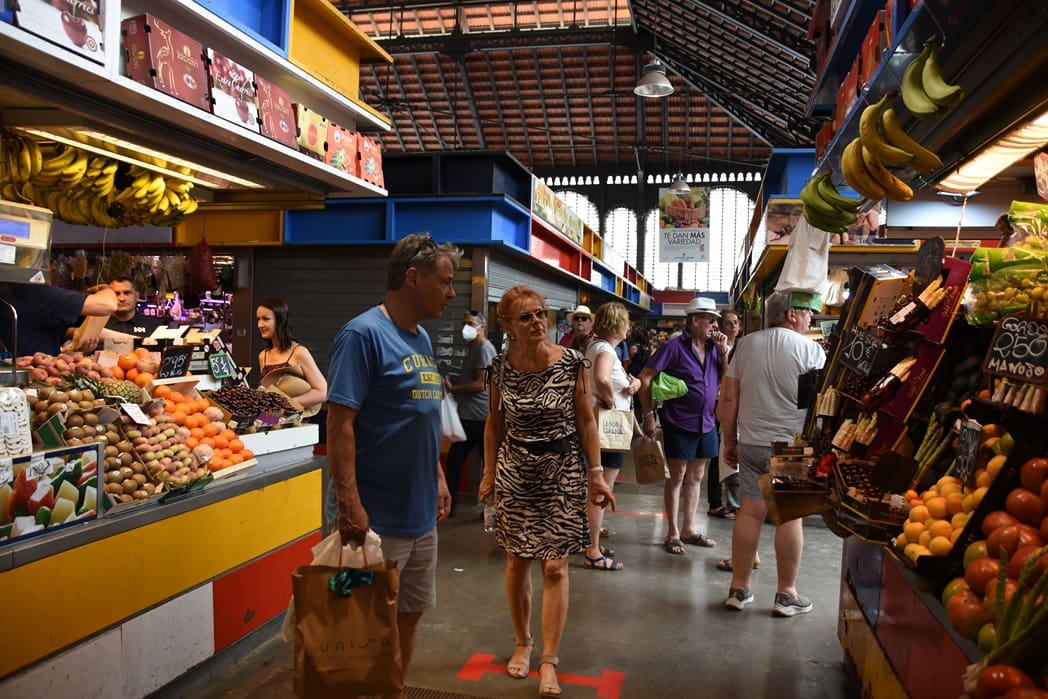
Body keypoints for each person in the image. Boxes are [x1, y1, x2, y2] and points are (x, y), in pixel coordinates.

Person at [325, 233, 461, 699]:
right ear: (413, 278)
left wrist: (439, 476)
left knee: (408, 616)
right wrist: (349, 505)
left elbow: (422, 417)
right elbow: (340, 423)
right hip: (375, 520)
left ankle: (392, 691)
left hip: (420, 517)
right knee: (359, 628)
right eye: (445, 282)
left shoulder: (420, 337)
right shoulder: (361, 335)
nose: (452, 293)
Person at [478, 285, 615, 698]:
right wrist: (488, 472)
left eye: (541, 313)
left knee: (555, 567)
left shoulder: (572, 363)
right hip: (516, 472)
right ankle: (523, 642)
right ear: (508, 326)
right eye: (526, 317)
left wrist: (596, 473)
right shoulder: (499, 368)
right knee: (518, 561)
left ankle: (549, 660)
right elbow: (494, 424)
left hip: (563, 471)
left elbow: (587, 422)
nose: (538, 322)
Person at [717, 290, 826, 616]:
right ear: (791, 314)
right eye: (807, 311)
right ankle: (786, 594)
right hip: (791, 446)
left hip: (751, 442)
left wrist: (729, 440)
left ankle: (739, 589)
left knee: (750, 512)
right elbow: (819, 404)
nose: (810, 317)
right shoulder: (812, 350)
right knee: (789, 517)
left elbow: (729, 397)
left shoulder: (746, 345)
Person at [638, 297, 728, 555]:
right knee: (677, 476)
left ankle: (689, 528)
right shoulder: (673, 347)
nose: (715, 325)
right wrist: (648, 414)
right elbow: (645, 378)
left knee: (697, 476)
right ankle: (673, 532)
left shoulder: (714, 348)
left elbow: (726, 378)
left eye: (715, 321)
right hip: (679, 421)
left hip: (706, 422)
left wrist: (723, 352)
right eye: (710, 320)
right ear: (695, 320)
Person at [583, 301, 640, 571]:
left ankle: (589, 541)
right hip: (608, 429)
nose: (628, 327)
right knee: (601, 490)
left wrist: (631, 385)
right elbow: (602, 378)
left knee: (595, 488)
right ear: (617, 325)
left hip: (596, 427)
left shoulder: (596, 347)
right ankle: (593, 551)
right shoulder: (606, 350)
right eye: (626, 322)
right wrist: (609, 399)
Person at [442, 309, 497, 516]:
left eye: (471, 324)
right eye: (464, 323)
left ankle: (491, 509)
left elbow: (481, 384)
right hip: (467, 417)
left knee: (488, 466)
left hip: (480, 418)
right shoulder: (473, 348)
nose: (466, 328)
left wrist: (454, 389)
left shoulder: (483, 348)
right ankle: (449, 506)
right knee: (455, 462)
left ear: (481, 327)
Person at [0, 282, 117, 356]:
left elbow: (66, 331)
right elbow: (108, 305)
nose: (55, 268)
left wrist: (75, 350)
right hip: (33, 377)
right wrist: (108, 290)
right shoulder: (36, 293)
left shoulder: (8, 293)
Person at [255, 297, 328, 411]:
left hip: (297, 419)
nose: (260, 324)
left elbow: (322, 392)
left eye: (265, 319)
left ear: (281, 320)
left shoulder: (299, 352)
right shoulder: (263, 356)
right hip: (272, 417)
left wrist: (286, 405)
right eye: (258, 319)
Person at [708, 308, 743, 521]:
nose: (733, 326)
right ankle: (716, 502)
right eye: (728, 323)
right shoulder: (716, 348)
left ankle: (731, 501)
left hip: (735, 403)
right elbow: (727, 376)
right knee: (716, 453)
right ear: (720, 326)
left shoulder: (742, 347)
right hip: (717, 403)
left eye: (736, 322)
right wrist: (723, 353)